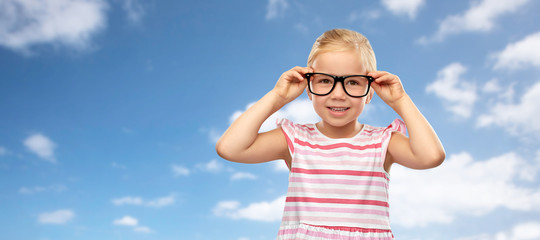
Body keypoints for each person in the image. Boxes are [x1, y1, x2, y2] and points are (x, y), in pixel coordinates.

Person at [216, 28, 445, 240]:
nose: (338, 94)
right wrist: (278, 96)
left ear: (370, 91)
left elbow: (431, 156)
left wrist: (400, 101)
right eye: (325, 81)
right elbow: (230, 148)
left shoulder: (382, 142)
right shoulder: (295, 139)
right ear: (308, 89)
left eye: (353, 82)